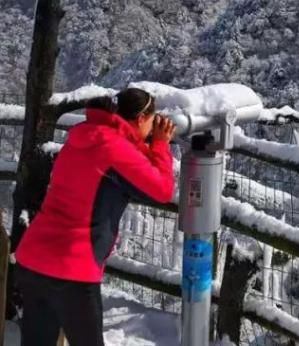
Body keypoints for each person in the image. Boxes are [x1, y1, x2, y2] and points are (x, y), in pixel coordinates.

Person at [14, 88, 177, 346]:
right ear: (142, 119)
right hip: (72, 268)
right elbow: (163, 190)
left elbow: (126, 157)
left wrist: (146, 143)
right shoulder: (114, 150)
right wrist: (160, 144)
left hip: (34, 259)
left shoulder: (85, 135)